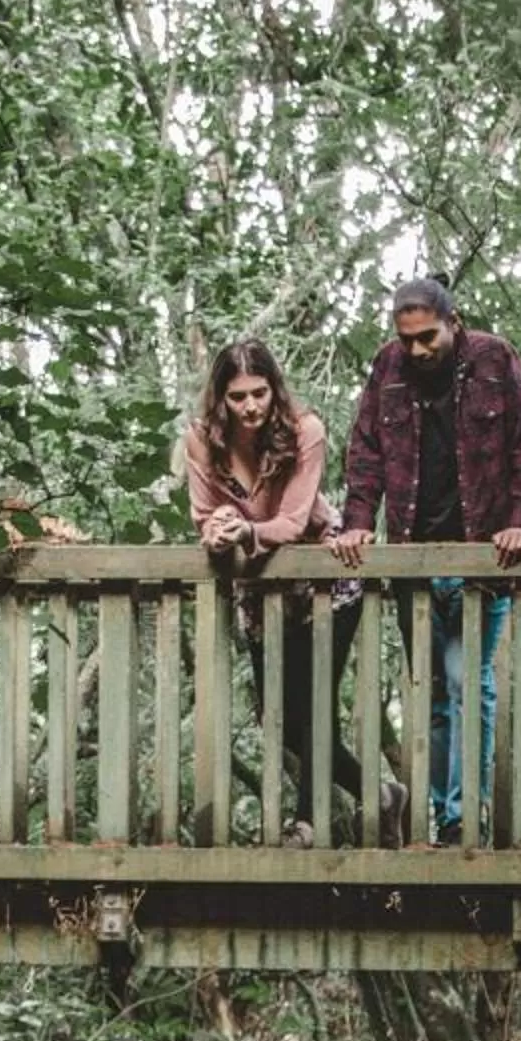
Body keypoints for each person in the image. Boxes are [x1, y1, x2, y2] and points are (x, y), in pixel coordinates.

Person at [326, 277, 521, 844]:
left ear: (454, 321)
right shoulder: (388, 369)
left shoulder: (494, 359)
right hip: (412, 558)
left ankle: (465, 816)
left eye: (428, 337)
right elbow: (366, 450)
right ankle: (446, 816)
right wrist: (356, 523)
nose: (418, 350)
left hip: (482, 551)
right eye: (408, 339)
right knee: (435, 693)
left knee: (466, 679)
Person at [183, 338, 370, 845]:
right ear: (220, 398)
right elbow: (204, 513)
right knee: (280, 719)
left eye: (259, 393)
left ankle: (307, 824)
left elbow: (291, 520)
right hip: (261, 584)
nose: (250, 407)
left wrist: (246, 531)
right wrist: (218, 528)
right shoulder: (201, 441)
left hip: (322, 574)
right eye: (238, 396)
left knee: (314, 707)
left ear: (274, 389)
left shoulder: (305, 431)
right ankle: (381, 796)